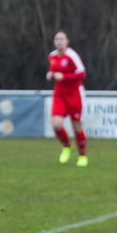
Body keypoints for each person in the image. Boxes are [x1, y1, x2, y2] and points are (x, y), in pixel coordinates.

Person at [47, 31, 88, 166]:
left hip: (74, 93)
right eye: (57, 39)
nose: (59, 41)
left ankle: (82, 156)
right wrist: (51, 74)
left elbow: (82, 73)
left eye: (62, 39)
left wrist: (64, 77)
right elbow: (54, 70)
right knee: (56, 124)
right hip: (59, 93)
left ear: (67, 41)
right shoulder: (52, 56)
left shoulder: (72, 55)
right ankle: (66, 146)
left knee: (77, 126)